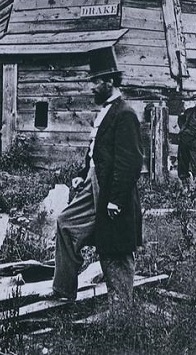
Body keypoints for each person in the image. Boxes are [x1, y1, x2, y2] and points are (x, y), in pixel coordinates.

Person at [51, 47, 143, 312]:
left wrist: (116, 199)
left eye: (95, 81)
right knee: (66, 224)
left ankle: (120, 308)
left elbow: (130, 162)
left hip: (111, 190)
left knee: (116, 244)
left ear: (110, 82)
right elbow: (96, 154)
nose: (91, 87)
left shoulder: (125, 114)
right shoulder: (105, 112)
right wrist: (82, 176)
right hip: (93, 184)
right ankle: (63, 291)